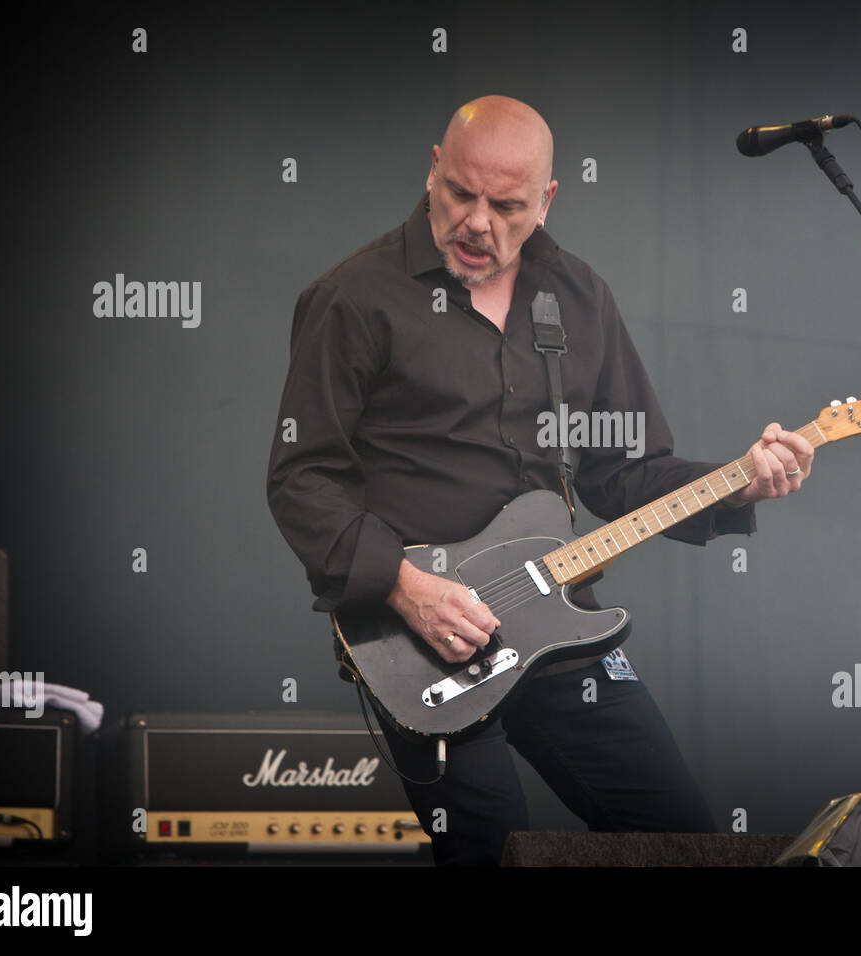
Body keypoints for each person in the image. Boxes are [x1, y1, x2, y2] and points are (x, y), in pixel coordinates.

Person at [267, 95, 813, 865]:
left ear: (547, 199)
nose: (477, 222)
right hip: (425, 635)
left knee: (682, 840)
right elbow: (303, 477)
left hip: (557, 621)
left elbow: (627, 471)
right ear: (432, 170)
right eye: (460, 192)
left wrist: (742, 483)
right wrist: (404, 588)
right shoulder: (355, 298)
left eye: (507, 204)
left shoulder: (578, 297)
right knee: (488, 847)